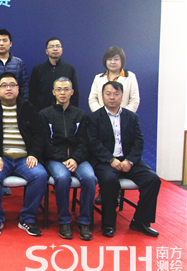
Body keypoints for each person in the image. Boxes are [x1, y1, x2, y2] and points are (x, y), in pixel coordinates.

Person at [87, 81, 161, 238]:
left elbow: (138, 142)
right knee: (109, 180)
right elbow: (93, 143)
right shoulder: (94, 118)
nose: (112, 97)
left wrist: (130, 161)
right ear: (102, 96)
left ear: (122, 97)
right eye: (108, 94)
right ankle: (108, 224)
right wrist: (111, 160)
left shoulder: (132, 117)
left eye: (116, 94)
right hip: (105, 161)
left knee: (152, 179)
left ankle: (140, 221)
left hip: (128, 160)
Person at [0, 72, 47, 237]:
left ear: (18, 89)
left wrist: (34, 154)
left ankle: (27, 219)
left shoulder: (28, 107)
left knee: (40, 175)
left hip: (25, 158)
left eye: (12, 85)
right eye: (4, 85)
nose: (8, 88)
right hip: (0, 157)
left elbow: (39, 134)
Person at [39, 77, 95, 241]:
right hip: (56, 158)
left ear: (72, 92)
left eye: (66, 89)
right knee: (62, 178)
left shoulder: (81, 115)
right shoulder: (44, 114)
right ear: (53, 92)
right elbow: (44, 143)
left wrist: (75, 159)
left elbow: (85, 142)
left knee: (90, 178)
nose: (62, 92)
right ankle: (64, 221)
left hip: (78, 158)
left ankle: (84, 221)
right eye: (59, 89)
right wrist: (64, 158)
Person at [29, 37, 80, 111]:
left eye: (57, 46)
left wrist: (71, 111)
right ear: (46, 51)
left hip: (64, 112)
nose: (55, 49)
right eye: (51, 47)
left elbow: (75, 93)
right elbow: (32, 94)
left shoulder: (69, 69)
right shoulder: (38, 69)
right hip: (42, 112)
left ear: (62, 50)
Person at [88, 46, 140, 113]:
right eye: (109, 59)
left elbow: (134, 100)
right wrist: (102, 114)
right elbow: (92, 99)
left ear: (121, 61)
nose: (112, 62)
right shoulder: (98, 78)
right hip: (101, 117)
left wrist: (123, 115)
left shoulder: (130, 76)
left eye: (116, 59)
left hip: (124, 117)